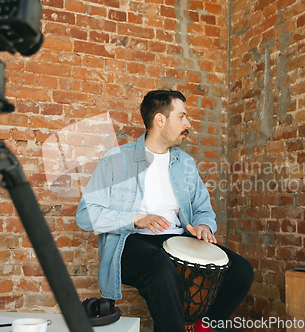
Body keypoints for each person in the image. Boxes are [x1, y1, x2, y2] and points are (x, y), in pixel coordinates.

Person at [76, 90, 254, 332]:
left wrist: (203, 225)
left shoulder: (186, 164)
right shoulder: (116, 160)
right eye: (181, 116)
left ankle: (203, 327)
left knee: (241, 270)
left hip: (177, 239)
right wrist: (136, 219)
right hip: (130, 242)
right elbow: (85, 214)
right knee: (162, 269)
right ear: (160, 120)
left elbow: (203, 208)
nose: (187, 124)